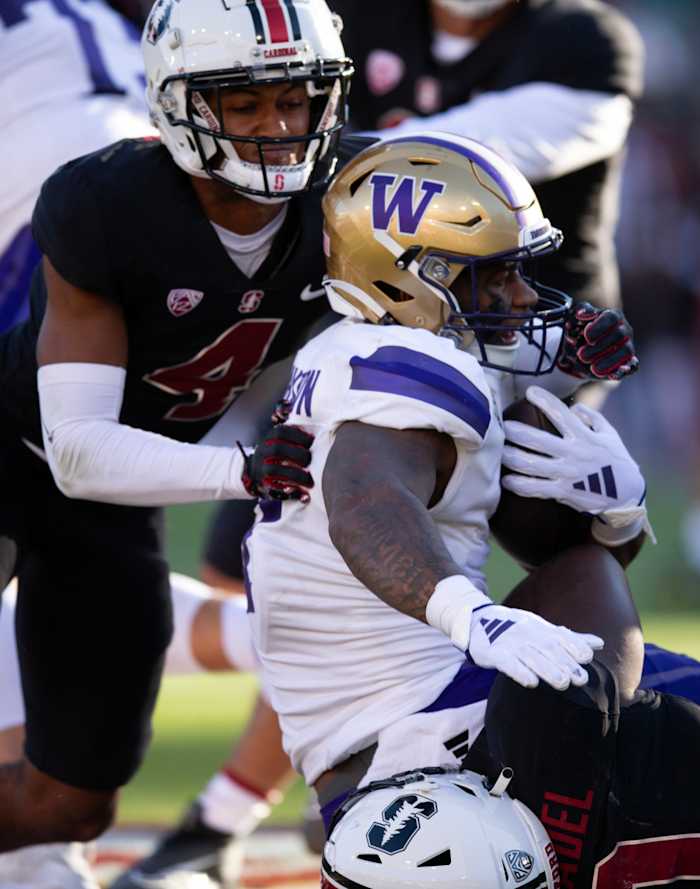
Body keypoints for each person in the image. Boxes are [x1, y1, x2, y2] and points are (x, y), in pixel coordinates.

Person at [243, 134, 699, 887]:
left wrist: (616, 515)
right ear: (411, 281)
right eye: (495, 278)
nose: (522, 296)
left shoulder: (359, 355)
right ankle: (564, 850)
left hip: (403, 741)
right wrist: (471, 614)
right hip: (434, 747)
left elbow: (557, 554)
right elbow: (364, 501)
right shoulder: (413, 369)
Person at [0, 0, 356, 860]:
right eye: (244, 103)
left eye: (297, 99)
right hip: (17, 453)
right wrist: (245, 470)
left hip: (115, 505)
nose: (277, 125)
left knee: (71, 807)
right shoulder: (106, 198)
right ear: (180, 105)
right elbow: (79, 448)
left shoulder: (357, 194)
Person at [333, 0, 644, 314]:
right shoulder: (352, 17)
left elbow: (453, 163)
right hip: (390, 314)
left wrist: (327, 161)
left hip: (538, 327)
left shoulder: (582, 38)